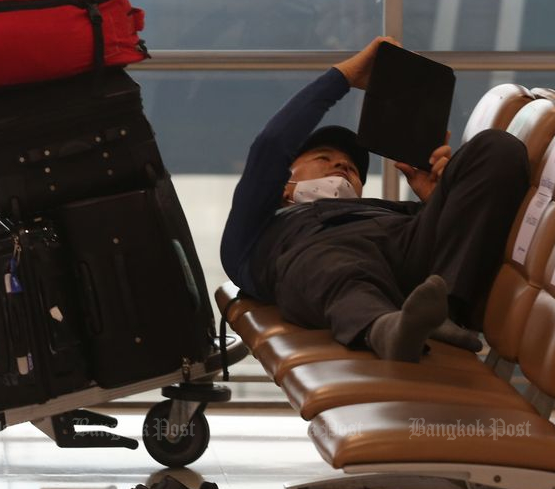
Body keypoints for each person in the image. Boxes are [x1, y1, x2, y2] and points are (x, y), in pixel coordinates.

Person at [219, 37, 529, 361]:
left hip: (409, 254)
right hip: (329, 264)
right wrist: (344, 77)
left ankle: (445, 311)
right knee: (330, 264)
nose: (341, 165)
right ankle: (386, 329)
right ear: (283, 184)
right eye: (324, 158)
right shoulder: (254, 235)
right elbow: (270, 145)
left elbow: (444, 231)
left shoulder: (381, 209)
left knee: (495, 147)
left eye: (352, 168)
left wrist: (438, 200)